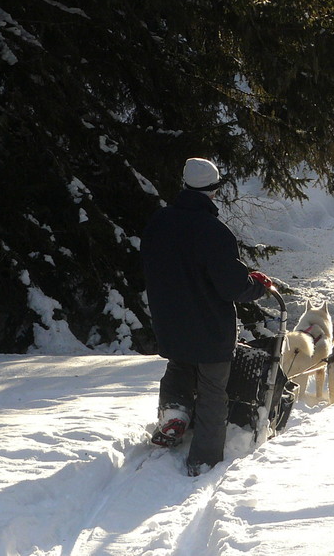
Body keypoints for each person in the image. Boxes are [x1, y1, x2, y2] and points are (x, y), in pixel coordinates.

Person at [141, 157, 273, 477]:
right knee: (213, 390)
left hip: (170, 320)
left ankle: (175, 414)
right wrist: (257, 286)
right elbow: (231, 287)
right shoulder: (215, 231)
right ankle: (203, 461)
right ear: (214, 190)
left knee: (179, 366)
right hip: (209, 326)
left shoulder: (158, 221)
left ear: (185, 185)